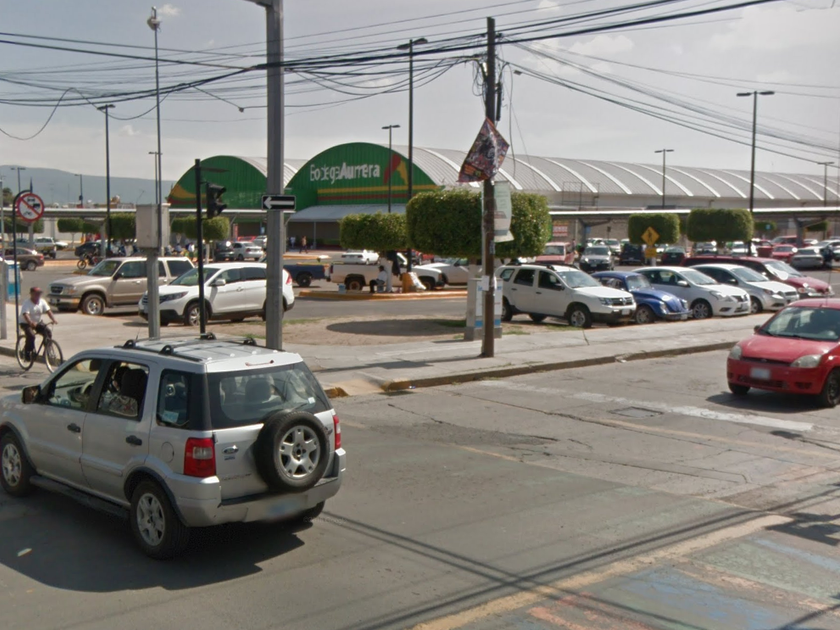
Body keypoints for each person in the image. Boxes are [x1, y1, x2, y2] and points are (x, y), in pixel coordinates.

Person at [19, 287, 57, 360]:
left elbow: (48, 311)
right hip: (25, 323)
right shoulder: (27, 303)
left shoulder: (42, 302)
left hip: (37, 322)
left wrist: (53, 319)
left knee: (48, 332)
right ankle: (27, 351)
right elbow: (25, 314)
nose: (38, 295)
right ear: (31, 294)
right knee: (31, 336)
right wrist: (30, 322)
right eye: (36, 294)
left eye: (39, 294)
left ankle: (46, 351)